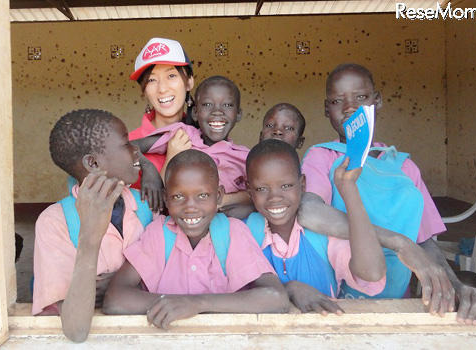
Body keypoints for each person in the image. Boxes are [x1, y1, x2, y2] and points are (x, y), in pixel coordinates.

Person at [300, 63, 476, 323]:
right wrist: (399, 242)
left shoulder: (404, 166)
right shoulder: (321, 156)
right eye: (337, 100)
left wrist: (456, 286)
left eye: (361, 97)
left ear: (378, 101)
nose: (349, 107)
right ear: (326, 110)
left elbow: (424, 242)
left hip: (398, 301)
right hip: (338, 303)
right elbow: (309, 211)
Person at [103, 149, 289, 329]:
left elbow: (276, 298)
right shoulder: (159, 234)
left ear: (218, 197)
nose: (190, 207)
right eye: (178, 196)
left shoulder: (232, 233)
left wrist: (196, 304)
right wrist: (175, 305)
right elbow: (115, 300)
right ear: (166, 199)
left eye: (202, 195)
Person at [33, 109, 152, 342]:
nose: (136, 149)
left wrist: (118, 284)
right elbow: (76, 330)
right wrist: (89, 236)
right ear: (93, 162)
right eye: (126, 143)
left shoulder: (149, 204)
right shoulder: (54, 222)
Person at [245, 139, 386, 313]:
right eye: (261, 189)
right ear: (249, 191)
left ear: (302, 184)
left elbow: (371, 273)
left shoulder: (323, 235)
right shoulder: (245, 232)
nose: (275, 197)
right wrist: (290, 288)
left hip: (323, 334)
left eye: (286, 186)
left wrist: (349, 189)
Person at [135, 76, 253, 218]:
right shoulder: (183, 135)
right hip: (178, 224)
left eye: (227, 105)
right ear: (195, 113)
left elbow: (258, 193)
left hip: (225, 229)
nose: (217, 111)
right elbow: (127, 146)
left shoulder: (245, 157)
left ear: (238, 114)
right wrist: (148, 169)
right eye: (208, 105)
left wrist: (221, 201)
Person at [127, 37, 196, 211]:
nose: (162, 89)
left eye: (171, 75)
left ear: (189, 82)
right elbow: (139, 215)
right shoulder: (128, 144)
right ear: (144, 90)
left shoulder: (206, 135)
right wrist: (155, 164)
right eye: (151, 80)